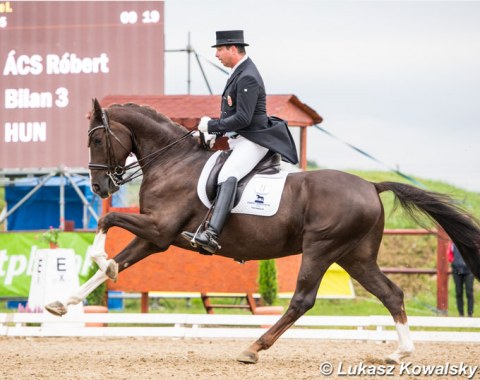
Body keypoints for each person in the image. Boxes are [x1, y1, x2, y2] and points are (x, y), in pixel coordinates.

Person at [182, 30, 298, 254]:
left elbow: (243, 118)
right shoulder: (239, 72)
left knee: (227, 175)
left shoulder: (247, 76)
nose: (216, 55)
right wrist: (217, 134)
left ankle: (213, 233)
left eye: (219, 50)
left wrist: (213, 126)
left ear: (232, 49)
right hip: (240, 139)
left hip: (254, 140)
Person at [448, 242, 474, 317]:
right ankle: (461, 313)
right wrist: (454, 262)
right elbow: (449, 255)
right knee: (459, 292)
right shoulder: (452, 243)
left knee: (469, 291)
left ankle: (470, 312)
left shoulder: (468, 242)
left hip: (469, 270)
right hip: (457, 270)